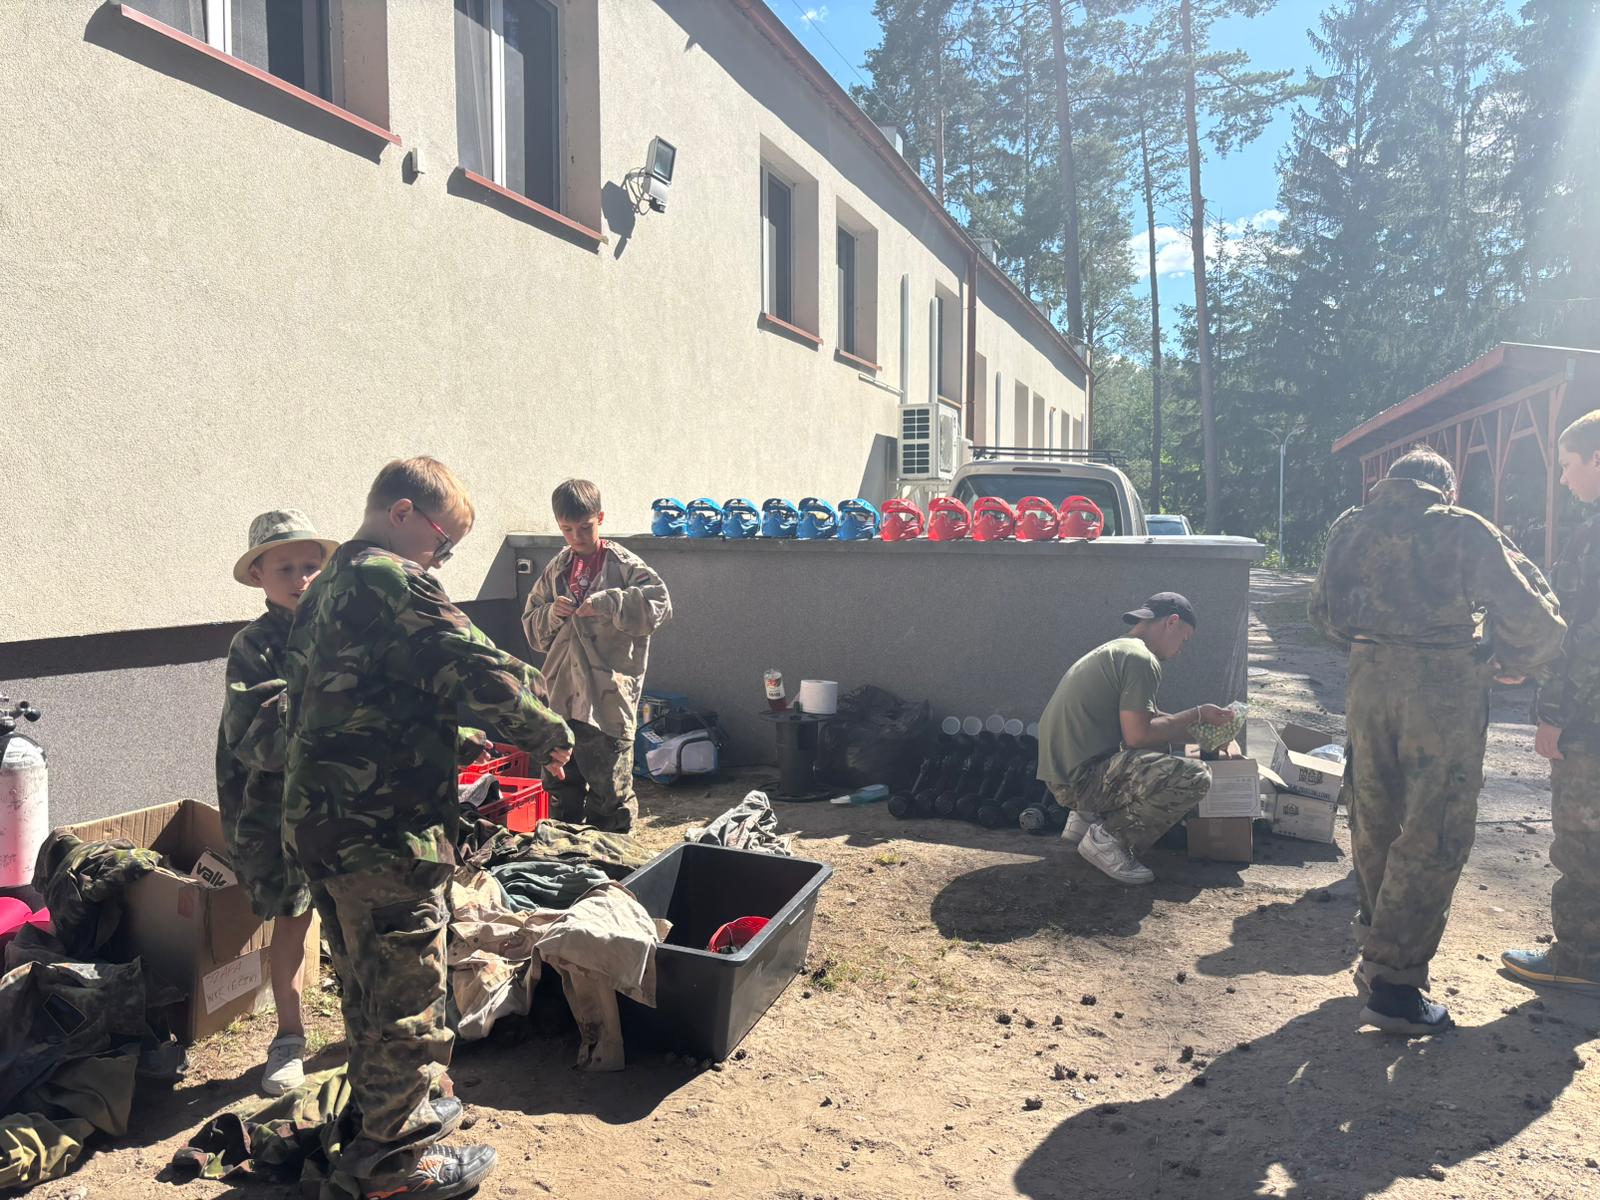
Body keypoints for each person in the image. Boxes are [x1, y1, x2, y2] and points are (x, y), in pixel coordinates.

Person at [282, 457, 573, 1200]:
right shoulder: (391, 577)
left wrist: (457, 742)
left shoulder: (327, 586)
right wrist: (548, 730)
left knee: (366, 990)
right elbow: (473, 665)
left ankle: (379, 1118)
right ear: (404, 512)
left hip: (325, 828)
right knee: (407, 1000)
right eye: (443, 544)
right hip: (386, 834)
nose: (441, 560)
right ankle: (396, 1165)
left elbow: (362, 699)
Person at [1310, 445, 1564, 1036]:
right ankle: (1396, 988)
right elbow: (1536, 618)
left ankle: (1376, 952)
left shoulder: (1350, 528)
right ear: (1447, 489)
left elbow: (1322, 614)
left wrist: (1378, 641)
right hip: (1443, 690)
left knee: (1373, 816)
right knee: (1436, 828)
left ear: (1390, 481)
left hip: (1368, 682)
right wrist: (1508, 660)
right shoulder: (1463, 529)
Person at [216, 510, 339, 1096]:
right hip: (277, 815)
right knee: (292, 919)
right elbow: (261, 743)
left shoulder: (344, 632)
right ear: (258, 576)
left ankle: (372, 1031)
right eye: (285, 568)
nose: (302, 578)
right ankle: (289, 1037)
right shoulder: (253, 647)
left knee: (354, 918)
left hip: (344, 808)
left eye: (312, 565)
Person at [1037, 592, 1236, 886]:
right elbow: (1139, 736)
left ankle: (1086, 819)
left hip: (1064, 773)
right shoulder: (1142, 660)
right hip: (1081, 779)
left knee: (1158, 752)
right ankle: (1108, 840)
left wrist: (1204, 732)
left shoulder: (1120, 650)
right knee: (1195, 776)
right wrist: (1197, 713)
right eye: (1184, 639)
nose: (1180, 650)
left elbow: (1148, 721)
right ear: (1172, 622)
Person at [1504, 412, 1600, 993]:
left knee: (1583, 842)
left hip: (1589, 723)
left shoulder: (1593, 537)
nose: (1563, 479)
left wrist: (1553, 715)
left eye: (1568, 465)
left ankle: (1580, 957)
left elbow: (1585, 637)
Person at [521, 478, 672, 833]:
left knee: (610, 797)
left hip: (607, 701)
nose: (576, 536)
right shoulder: (557, 569)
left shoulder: (623, 565)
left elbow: (660, 605)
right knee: (561, 792)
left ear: (600, 518)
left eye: (585, 527)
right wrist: (552, 613)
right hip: (560, 699)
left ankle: (611, 859)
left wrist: (609, 603)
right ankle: (565, 857)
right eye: (567, 529)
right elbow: (532, 627)